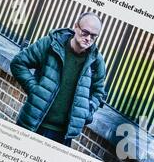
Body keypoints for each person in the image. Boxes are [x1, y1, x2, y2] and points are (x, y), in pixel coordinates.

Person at [11, 12, 106, 147]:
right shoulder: (51, 44)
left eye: (93, 36)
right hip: (33, 123)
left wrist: (86, 111)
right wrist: (35, 90)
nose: (88, 38)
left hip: (63, 135)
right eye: (85, 32)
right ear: (75, 27)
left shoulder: (96, 61)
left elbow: (99, 92)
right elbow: (18, 63)